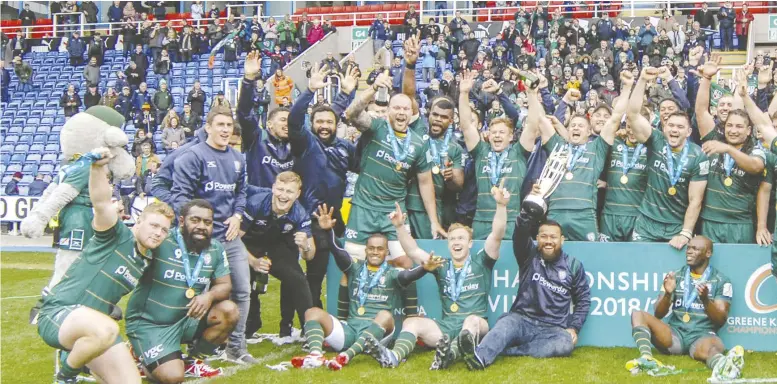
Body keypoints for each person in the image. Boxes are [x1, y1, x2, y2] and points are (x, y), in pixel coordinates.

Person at [37, 147, 174, 384]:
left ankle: (76, 363)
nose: (158, 233)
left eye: (163, 230)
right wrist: (99, 167)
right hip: (59, 314)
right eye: (153, 225)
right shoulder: (116, 234)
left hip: (93, 329)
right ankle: (65, 378)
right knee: (108, 329)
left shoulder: (147, 257)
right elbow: (100, 202)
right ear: (138, 221)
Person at [367, 184, 509, 369]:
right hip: (446, 328)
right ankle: (393, 356)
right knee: (411, 322)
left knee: (472, 321)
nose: (456, 242)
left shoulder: (482, 261)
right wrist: (400, 227)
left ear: (470, 243)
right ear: (448, 243)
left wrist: (501, 206)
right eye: (452, 239)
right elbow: (413, 251)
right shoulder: (440, 264)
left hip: (476, 326)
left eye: (461, 238)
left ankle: (449, 354)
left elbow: (497, 235)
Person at [457, 184, 591, 370]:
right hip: (521, 320)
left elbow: (583, 300)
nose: (548, 241)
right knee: (504, 326)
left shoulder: (573, 265)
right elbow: (520, 232)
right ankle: (479, 357)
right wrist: (529, 207)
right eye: (544, 237)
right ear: (537, 238)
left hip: (552, 328)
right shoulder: (529, 255)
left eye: (553, 237)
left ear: (562, 240)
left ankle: (510, 352)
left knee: (565, 344)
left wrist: (574, 327)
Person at [296, 204, 444, 370]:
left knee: (385, 315)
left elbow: (409, 275)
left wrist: (424, 268)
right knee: (311, 312)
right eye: (371, 248)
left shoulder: (392, 273)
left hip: (377, 335)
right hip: (350, 331)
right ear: (365, 250)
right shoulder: (355, 268)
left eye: (380, 249)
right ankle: (315, 355)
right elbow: (338, 251)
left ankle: (346, 356)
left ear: (386, 252)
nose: (375, 252)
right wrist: (328, 231)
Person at [170, 107, 256, 365]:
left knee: (242, 290)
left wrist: (238, 215)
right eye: (220, 125)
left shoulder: (238, 158)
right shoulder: (192, 156)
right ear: (207, 127)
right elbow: (179, 197)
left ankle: (236, 348)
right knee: (200, 294)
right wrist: (197, 227)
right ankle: (199, 345)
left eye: (229, 126)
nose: (225, 130)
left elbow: (242, 192)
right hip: (201, 242)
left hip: (229, 237)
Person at [125, 199, 236, 382]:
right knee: (173, 377)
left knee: (229, 311)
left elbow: (224, 285)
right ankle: (139, 354)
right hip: (151, 323)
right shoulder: (162, 240)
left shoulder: (215, 248)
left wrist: (208, 296)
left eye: (207, 223)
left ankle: (193, 361)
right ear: (182, 221)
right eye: (195, 220)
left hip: (186, 319)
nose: (201, 226)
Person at [343, 71, 444, 267]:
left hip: (394, 212)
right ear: (388, 110)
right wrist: (372, 89)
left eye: (406, 109)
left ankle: (391, 298)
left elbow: (425, 182)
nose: (401, 112)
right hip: (364, 208)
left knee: (405, 263)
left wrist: (434, 220)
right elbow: (351, 114)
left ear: (411, 113)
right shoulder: (376, 127)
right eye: (396, 107)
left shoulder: (418, 143)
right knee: (353, 267)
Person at [284, 62, 358, 313]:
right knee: (314, 274)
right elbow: (294, 121)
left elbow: (365, 165)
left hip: (336, 218)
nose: (324, 126)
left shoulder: (345, 147)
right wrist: (308, 92)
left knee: (349, 268)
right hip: (311, 218)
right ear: (311, 124)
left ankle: (345, 315)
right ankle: (313, 321)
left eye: (329, 122)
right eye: (319, 122)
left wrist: (346, 95)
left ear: (337, 124)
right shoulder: (305, 143)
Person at [626, 236, 744, 380]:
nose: (689, 251)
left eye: (695, 249)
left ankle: (724, 367)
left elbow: (720, 320)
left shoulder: (721, 280)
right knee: (638, 314)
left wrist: (706, 300)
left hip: (702, 335)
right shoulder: (675, 276)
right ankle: (646, 358)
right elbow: (658, 314)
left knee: (714, 348)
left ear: (708, 253)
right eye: (688, 248)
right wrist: (668, 295)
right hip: (675, 335)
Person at [626, 67, 709, 249]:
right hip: (646, 222)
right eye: (670, 125)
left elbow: (696, 200)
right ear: (664, 128)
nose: (674, 129)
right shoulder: (656, 140)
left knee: (673, 275)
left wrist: (686, 233)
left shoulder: (698, 156)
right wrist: (641, 81)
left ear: (688, 132)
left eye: (680, 127)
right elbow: (632, 115)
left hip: (676, 226)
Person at [458, 69, 534, 240]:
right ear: (488, 135)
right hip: (481, 222)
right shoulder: (481, 151)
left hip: (511, 221)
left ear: (511, 137)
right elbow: (466, 125)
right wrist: (463, 93)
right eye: (494, 132)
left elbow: (533, 125)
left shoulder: (518, 153)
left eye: (502, 132)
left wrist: (531, 93)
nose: (497, 135)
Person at [240, 172, 316, 343]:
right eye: (280, 189)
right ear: (273, 188)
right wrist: (252, 261)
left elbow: (310, 256)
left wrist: (305, 246)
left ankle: (311, 330)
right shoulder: (255, 203)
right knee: (243, 280)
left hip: (275, 247)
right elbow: (234, 240)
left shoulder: (300, 214)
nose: (283, 195)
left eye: (289, 192)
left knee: (297, 279)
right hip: (248, 246)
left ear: (297, 194)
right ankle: (250, 325)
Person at [695, 66, 765, 243]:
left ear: (749, 131)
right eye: (729, 126)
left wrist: (728, 149)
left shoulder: (754, 149)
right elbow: (701, 112)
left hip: (740, 224)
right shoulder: (714, 140)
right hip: (710, 221)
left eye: (739, 127)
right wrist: (706, 78)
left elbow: (755, 166)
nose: (733, 130)